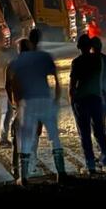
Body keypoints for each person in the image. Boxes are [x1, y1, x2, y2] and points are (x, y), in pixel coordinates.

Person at [7, 31, 66, 185]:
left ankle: (24, 176)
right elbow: (57, 80)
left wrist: (16, 103)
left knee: (25, 139)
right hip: (45, 99)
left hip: (28, 102)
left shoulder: (16, 62)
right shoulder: (44, 57)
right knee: (54, 137)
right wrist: (57, 99)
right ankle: (61, 172)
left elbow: (12, 84)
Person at [69, 34, 106, 174]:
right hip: (96, 99)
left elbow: (72, 86)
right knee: (100, 132)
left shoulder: (76, 62)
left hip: (81, 100)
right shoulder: (98, 60)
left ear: (79, 47)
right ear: (90, 47)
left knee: (85, 133)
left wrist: (72, 100)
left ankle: (90, 164)